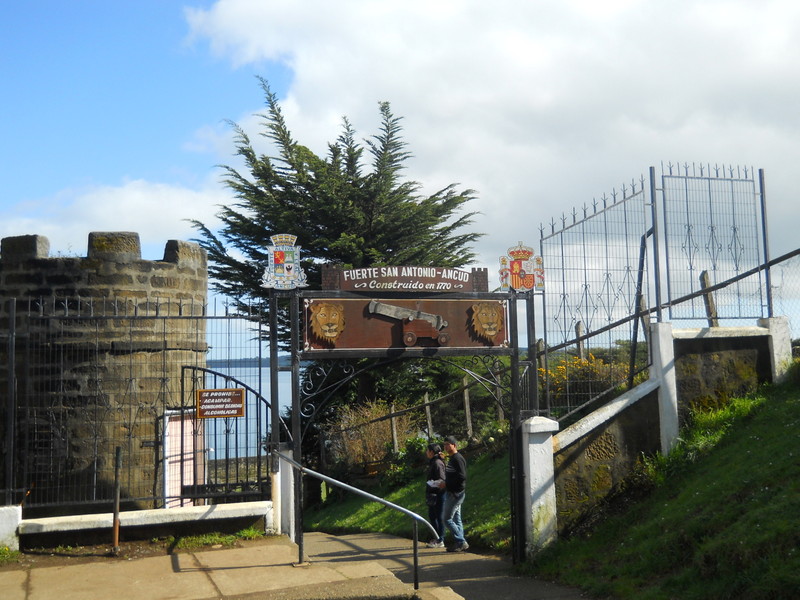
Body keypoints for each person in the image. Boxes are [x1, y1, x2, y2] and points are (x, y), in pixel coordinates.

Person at [440, 435, 468, 552]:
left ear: (454, 445)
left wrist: (447, 484)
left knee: (446, 519)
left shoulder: (457, 458)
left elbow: (462, 476)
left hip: (455, 493)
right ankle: (459, 543)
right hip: (451, 492)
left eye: (448, 444)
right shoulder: (452, 458)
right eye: (445, 444)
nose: (446, 446)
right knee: (457, 520)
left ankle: (461, 541)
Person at [424, 443, 446, 548]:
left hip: (438, 494)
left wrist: (433, 484)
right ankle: (436, 537)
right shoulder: (433, 462)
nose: (426, 453)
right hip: (432, 494)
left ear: (432, 452)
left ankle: (440, 539)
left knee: (439, 517)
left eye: (427, 450)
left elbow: (442, 479)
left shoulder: (437, 463)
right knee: (433, 516)